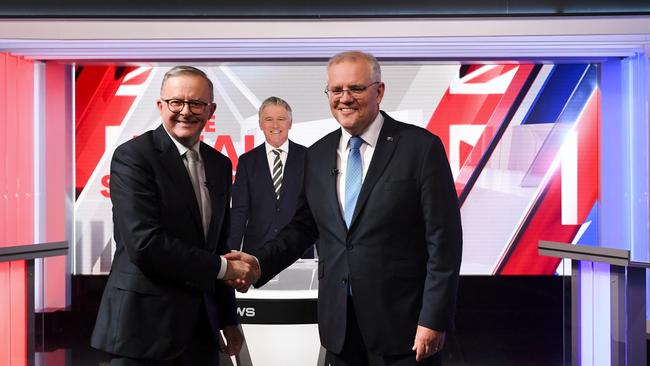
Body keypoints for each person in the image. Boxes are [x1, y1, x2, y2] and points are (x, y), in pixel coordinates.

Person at [227, 51, 463, 366]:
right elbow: (303, 227)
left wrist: (434, 318)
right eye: (336, 90)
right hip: (339, 329)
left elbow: (444, 242)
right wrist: (259, 263)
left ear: (379, 91)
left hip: (404, 329)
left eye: (356, 89)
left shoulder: (420, 148)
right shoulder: (318, 154)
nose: (344, 98)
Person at [91, 66, 255, 365]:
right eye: (176, 102)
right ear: (160, 106)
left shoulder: (218, 164)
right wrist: (223, 268)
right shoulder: (134, 157)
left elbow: (217, 247)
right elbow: (145, 244)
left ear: (210, 110)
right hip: (144, 329)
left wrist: (228, 319)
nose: (185, 111)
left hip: (201, 330)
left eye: (196, 104)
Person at [228, 97, 314, 258]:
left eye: (281, 119)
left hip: (299, 250)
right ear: (261, 124)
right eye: (269, 119)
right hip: (256, 253)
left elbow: (317, 208)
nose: (275, 125)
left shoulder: (309, 157)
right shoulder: (247, 161)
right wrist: (232, 252)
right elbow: (239, 210)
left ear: (290, 123)